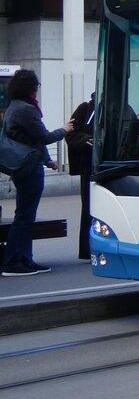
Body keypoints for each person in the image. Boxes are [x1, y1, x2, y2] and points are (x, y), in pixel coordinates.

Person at [2, 69, 72, 276]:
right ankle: (14, 261)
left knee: (26, 214)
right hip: (28, 167)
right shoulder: (25, 109)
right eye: (36, 86)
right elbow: (44, 137)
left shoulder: (15, 107)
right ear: (31, 87)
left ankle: (25, 259)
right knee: (24, 216)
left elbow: (30, 138)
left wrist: (48, 160)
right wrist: (64, 130)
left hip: (25, 165)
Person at [66, 92, 95, 260]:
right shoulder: (86, 108)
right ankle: (87, 249)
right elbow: (70, 133)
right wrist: (86, 139)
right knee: (89, 206)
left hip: (110, 164)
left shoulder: (121, 107)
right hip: (89, 165)